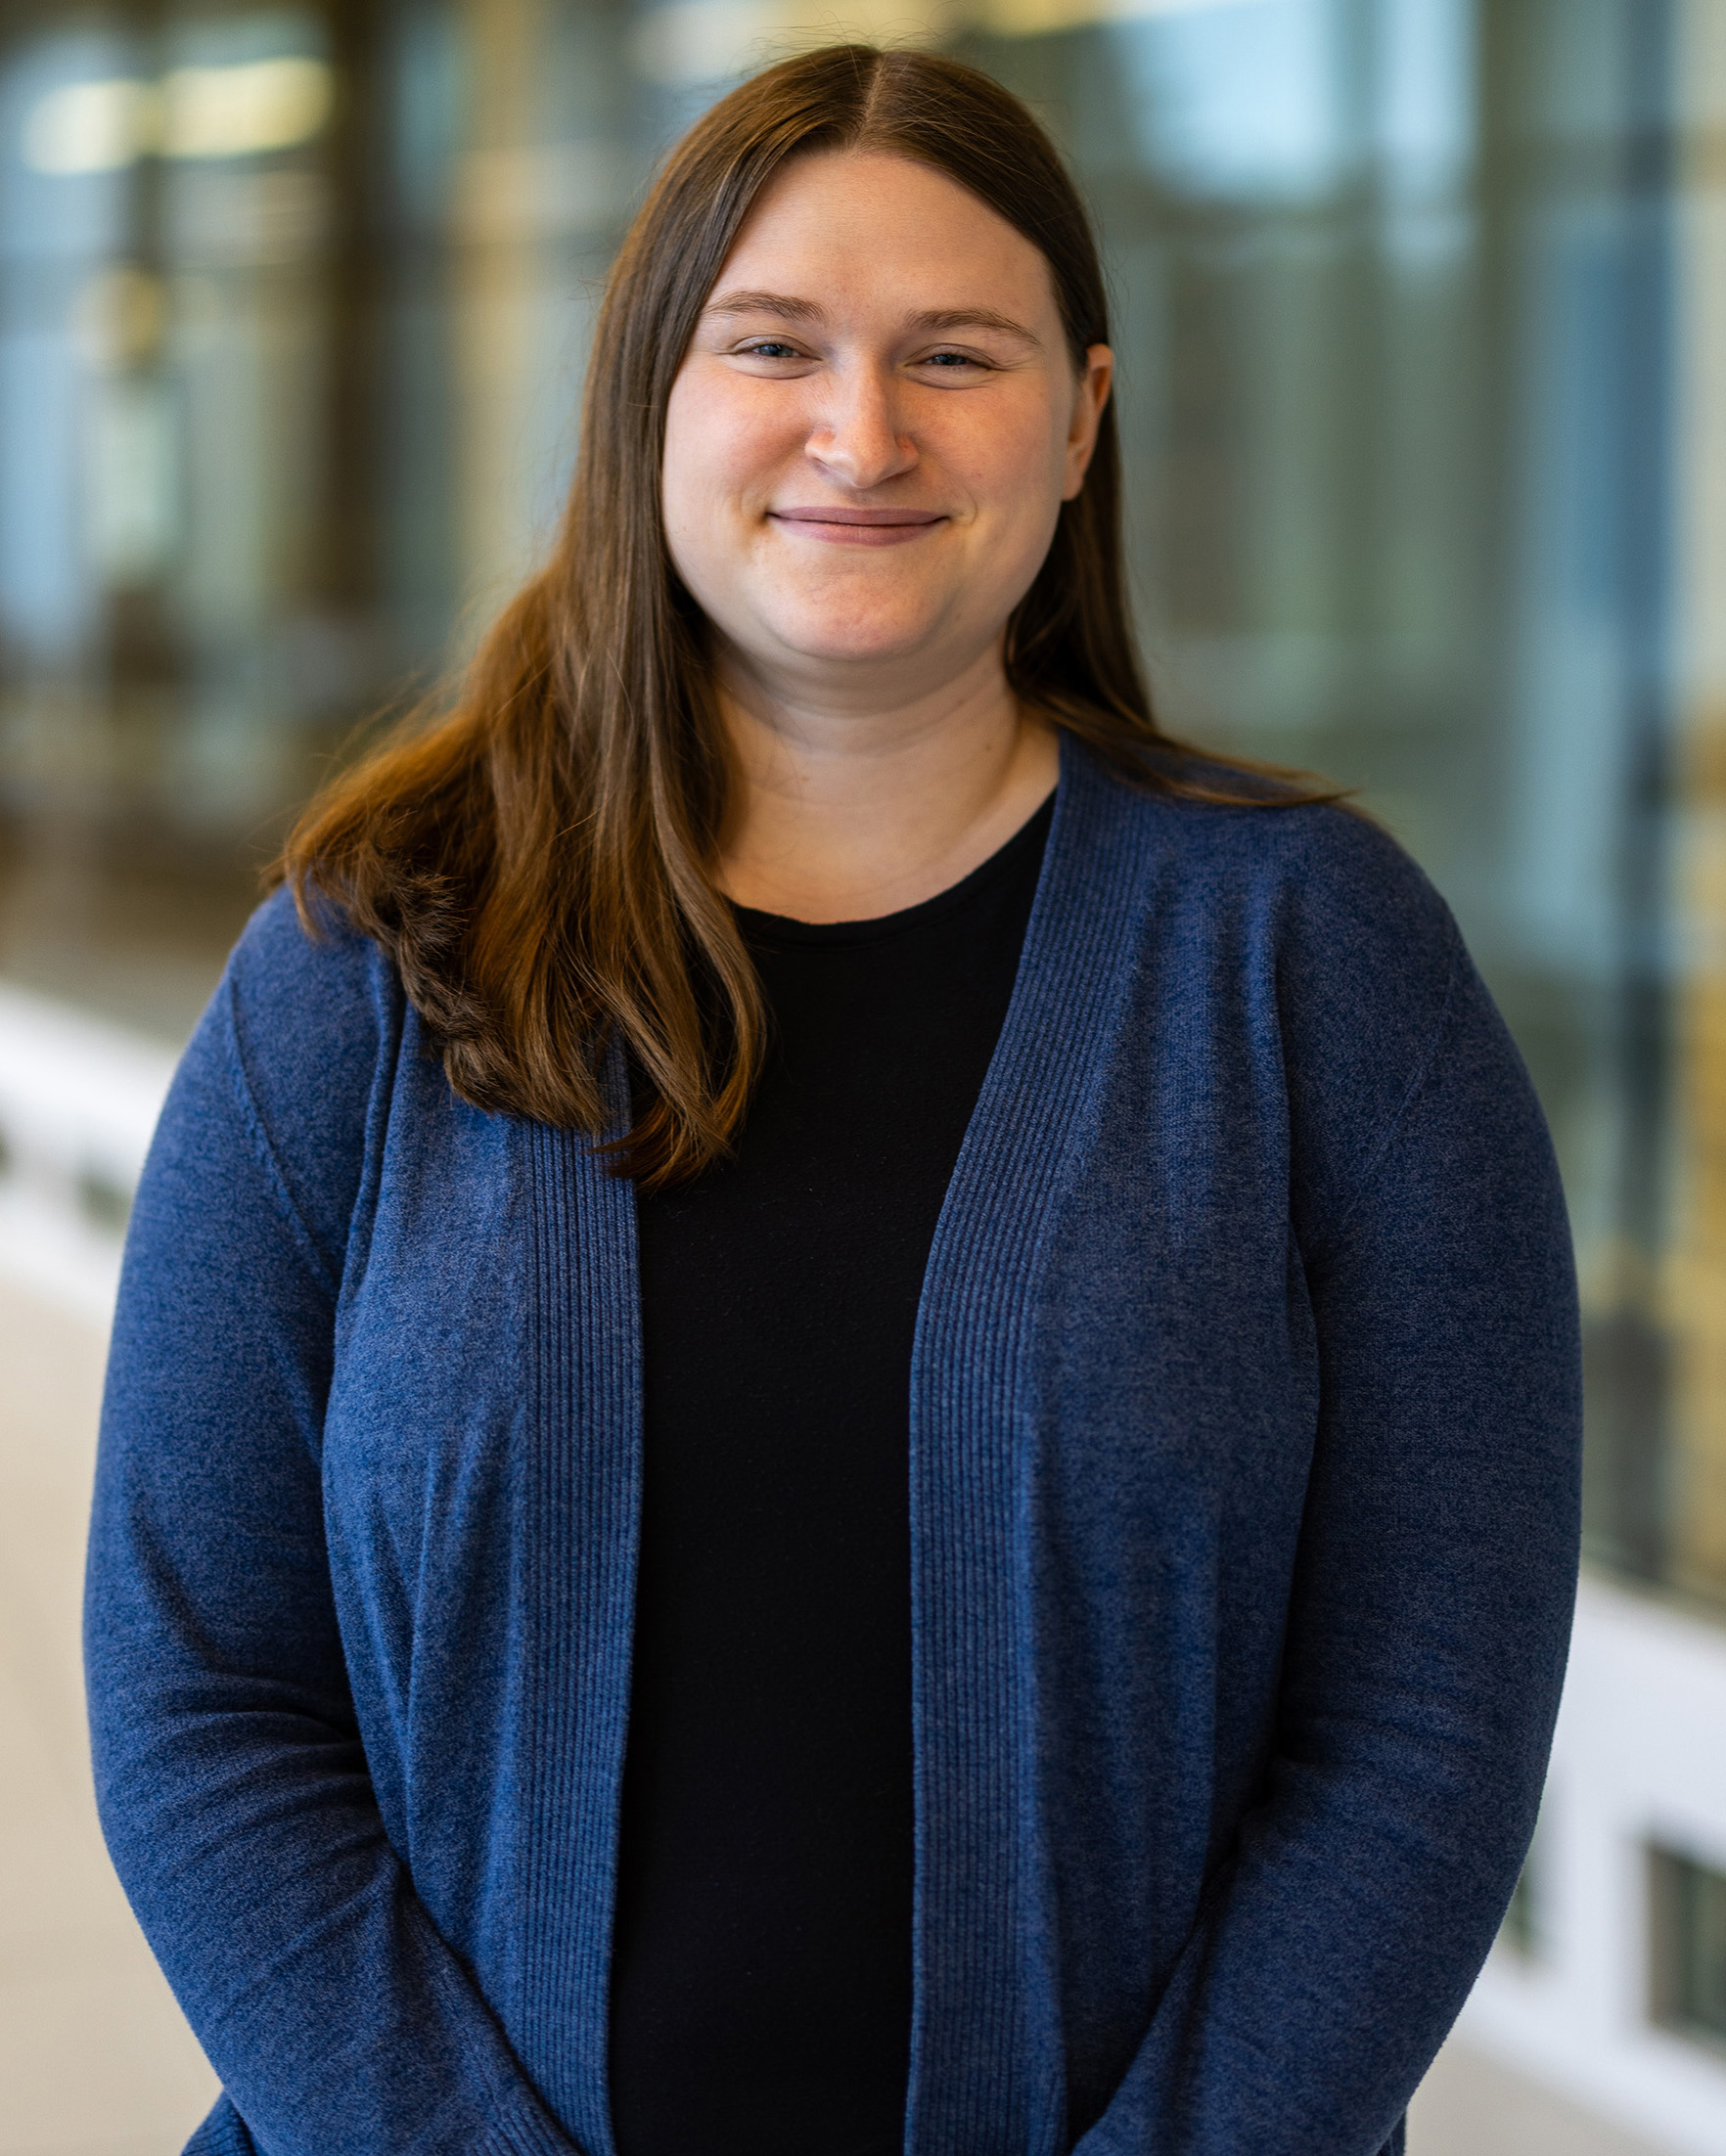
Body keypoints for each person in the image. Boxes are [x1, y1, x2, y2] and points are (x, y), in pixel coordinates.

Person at [84, 43, 1581, 2156]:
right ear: (651, 409)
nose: (860, 432)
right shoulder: (364, 965)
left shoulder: (1315, 967)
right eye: (773, 342)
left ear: (1080, 419)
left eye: (953, 355)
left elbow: (1423, 1725)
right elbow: (198, 1699)